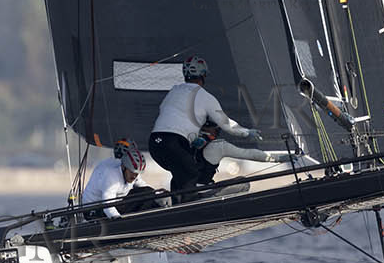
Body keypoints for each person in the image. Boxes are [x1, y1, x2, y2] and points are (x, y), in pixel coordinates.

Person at [148, 56, 259, 198]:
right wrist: (247, 132)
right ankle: (188, 206)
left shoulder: (174, 91)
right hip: (174, 142)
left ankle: (176, 204)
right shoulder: (206, 97)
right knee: (190, 172)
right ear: (204, 75)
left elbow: (163, 110)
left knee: (180, 172)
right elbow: (227, 125)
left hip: (154, 144)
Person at [191, 122, 310, 186]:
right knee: (244, 184)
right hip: (201, 192)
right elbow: (249, 154)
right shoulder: (218, 146)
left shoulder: (185, 139)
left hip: (182, 190)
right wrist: (278, 158)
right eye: (217, 129)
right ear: (213, 128)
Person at [79, 139, 149, 220]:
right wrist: (117, 219)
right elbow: (107, 204)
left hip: (114, 203)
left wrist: (159, 196)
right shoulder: (111, 173)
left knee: (145, 193)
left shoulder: (130, 169)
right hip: (94, 209)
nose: (135, 176)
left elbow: (143, 186)